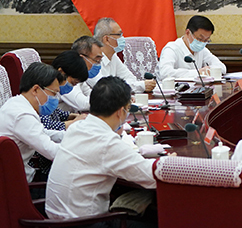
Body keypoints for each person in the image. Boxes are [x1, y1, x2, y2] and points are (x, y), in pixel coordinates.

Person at [45, 76, 156, 220]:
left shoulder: (77, 127)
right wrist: (168, 162)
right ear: (120, 111)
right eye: (128, 108)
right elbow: (150, 176)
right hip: (84, 223)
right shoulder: (107, 142)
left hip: (54, 219)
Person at [0, 62, 65, 181]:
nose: (56, 99)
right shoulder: (23, 116)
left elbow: (42, 133)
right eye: (53, 93)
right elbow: (53, 152)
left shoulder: (15, 103)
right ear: (35, 89)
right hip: (18, 182)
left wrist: (68, 135)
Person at [29, 51, 90, 178]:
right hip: (45, 166)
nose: (72, 87)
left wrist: (72, 117)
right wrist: (72, 124)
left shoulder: (50, 91)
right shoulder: (41, 95)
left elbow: (57, 113)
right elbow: (46, 126)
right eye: (73, 83)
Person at [93, 17, 155, 93]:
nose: (122, 38)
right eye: (119, 35)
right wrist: (141, 86)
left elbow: (130, 78)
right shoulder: (92, 59)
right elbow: (106, 88)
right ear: (107, 39)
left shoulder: (113, 56)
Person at [158, 15, 227, 80]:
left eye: (206, 40)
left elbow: (222, 67)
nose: (202, 43)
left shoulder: (202, 50)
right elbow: (165, 73)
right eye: (200, 39)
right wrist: (197, 73)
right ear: (188, 32)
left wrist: (209, 70)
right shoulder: (171, 49)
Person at [62, 35, 104, 112]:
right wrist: (110, 100)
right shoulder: (65, 76)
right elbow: (83, 105)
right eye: (97, 60)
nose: (98, 65)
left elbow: (92, 95)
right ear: (82, 58)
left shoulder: (80, 77)